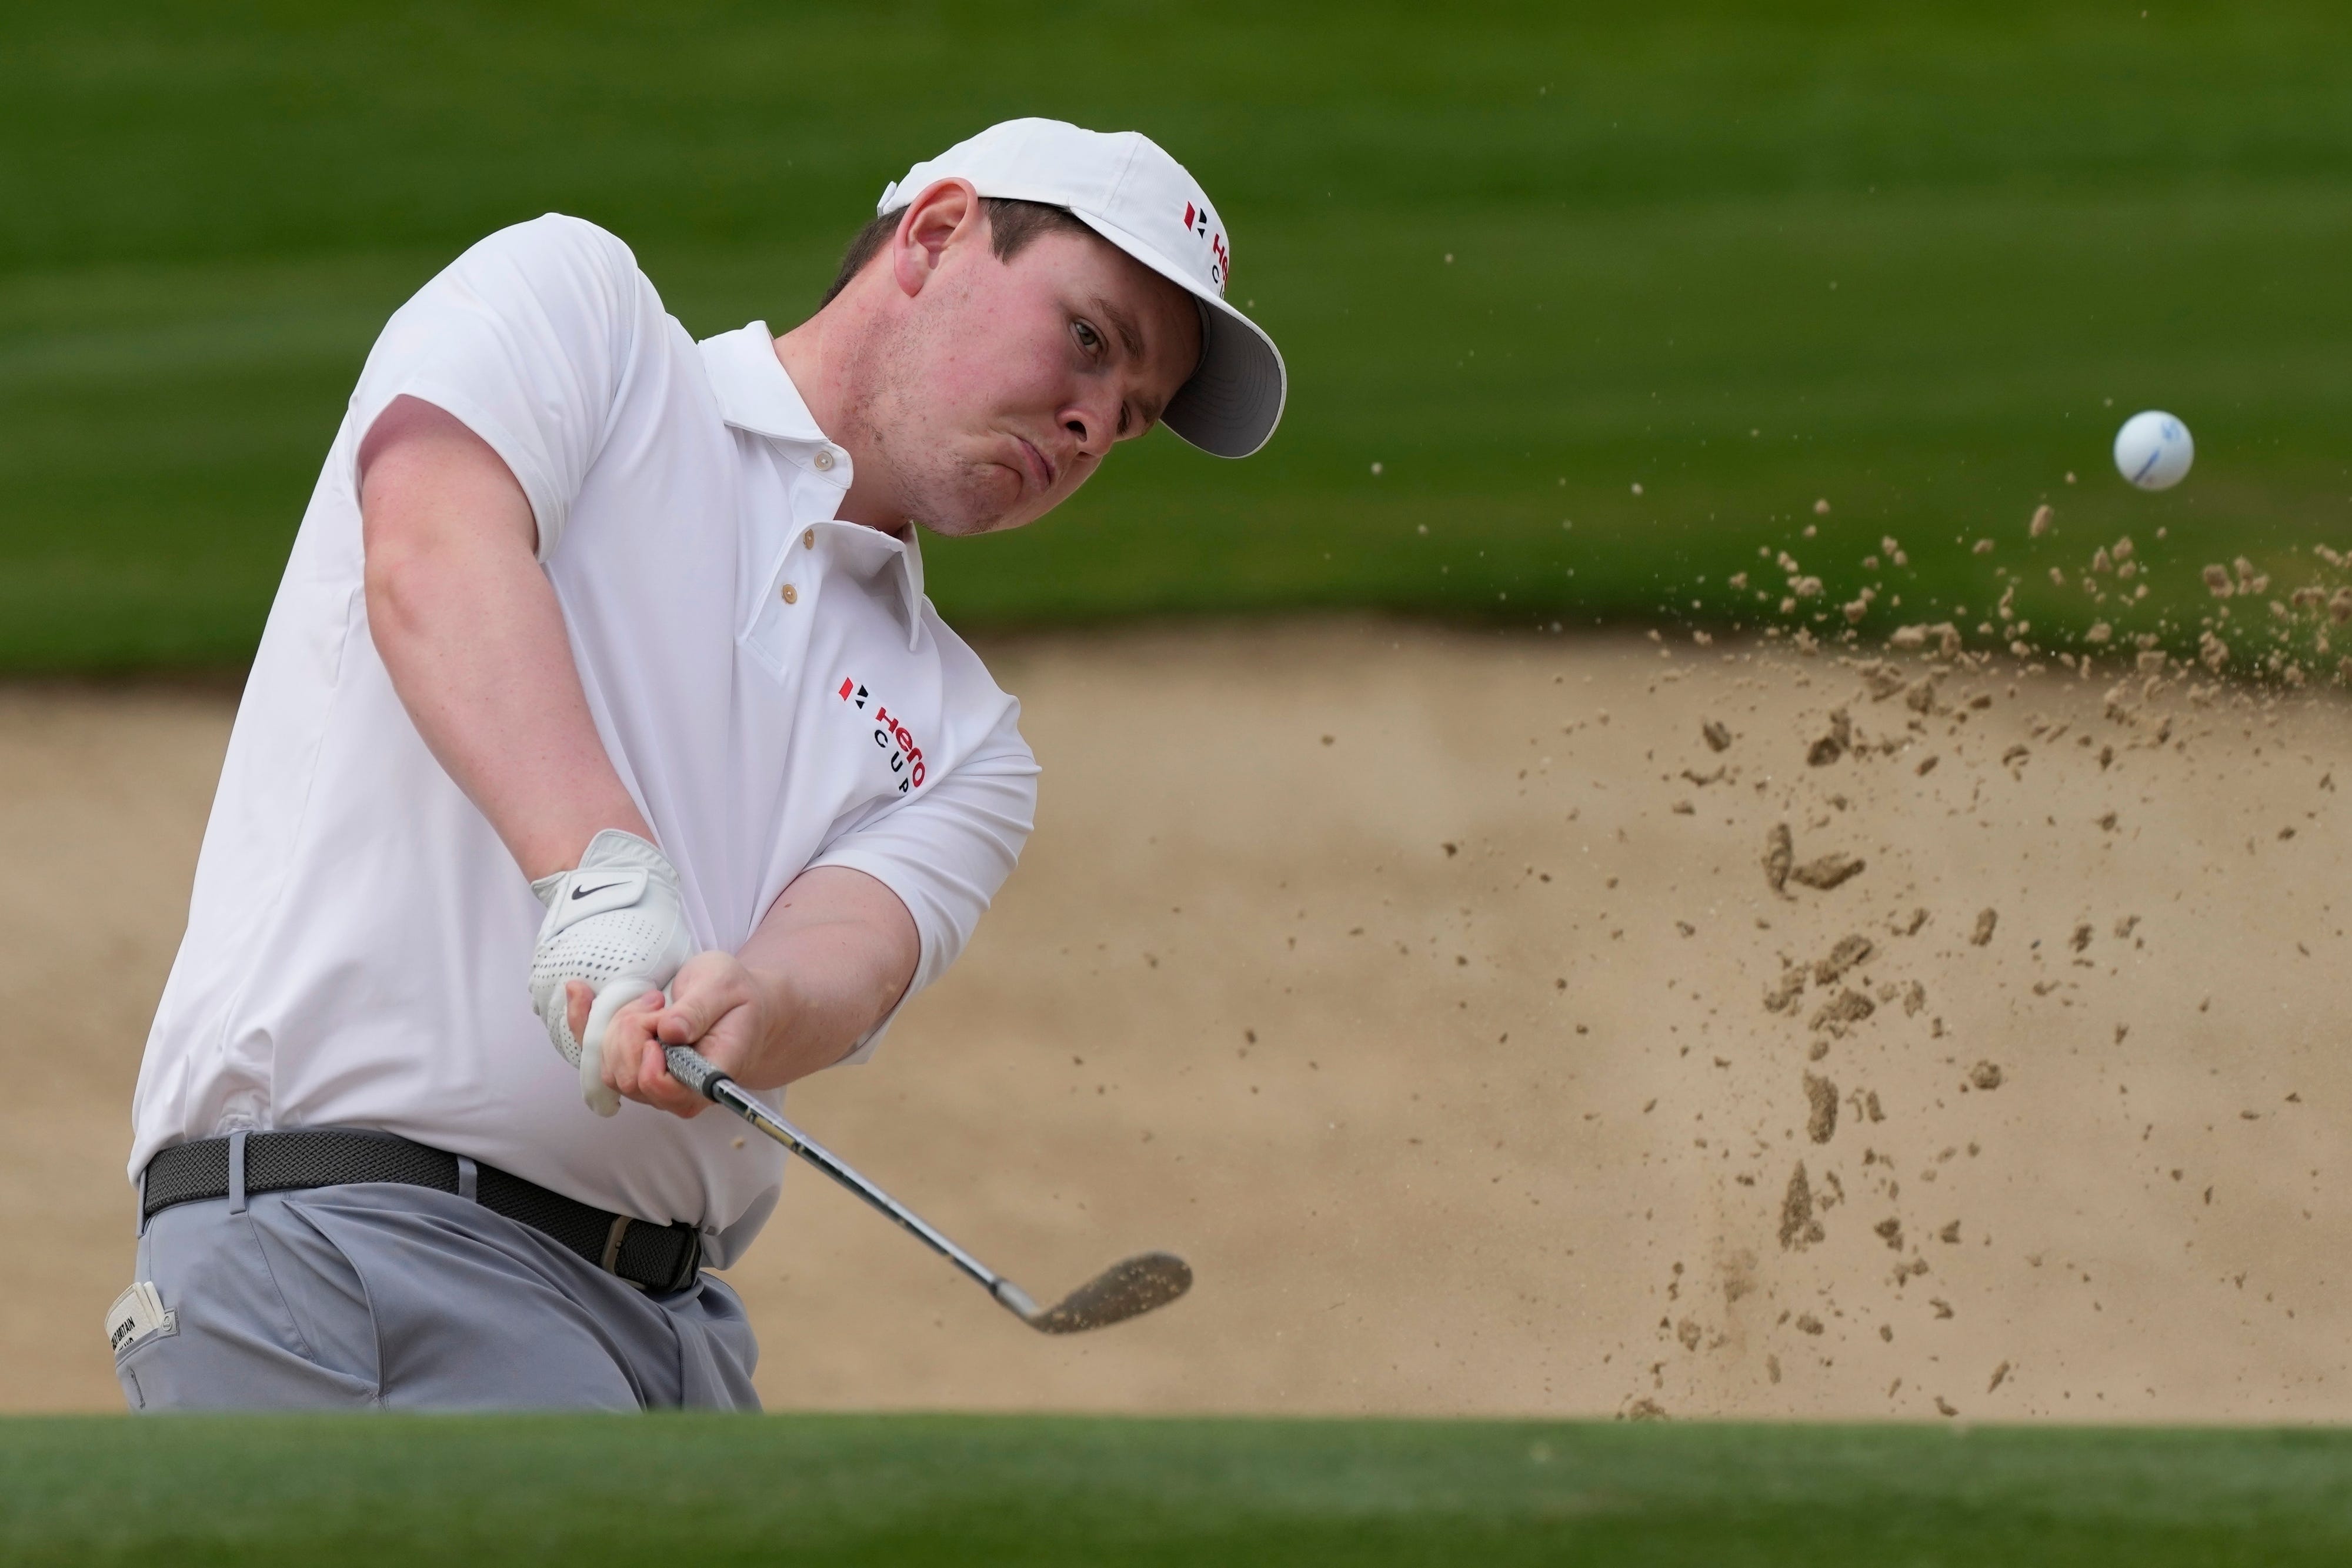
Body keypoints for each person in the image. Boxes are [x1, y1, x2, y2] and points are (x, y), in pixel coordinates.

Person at [109, 118, 1286, 1411]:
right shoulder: (582, 318)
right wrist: (603, 879)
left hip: (672, 1337)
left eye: (1132, 415)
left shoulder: (966, 735)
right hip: (352, 1250)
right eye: (1088, 338)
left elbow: (851, 945)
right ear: (939, 234)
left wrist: (757, 1005)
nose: (1087, 422)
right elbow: (432, 553)